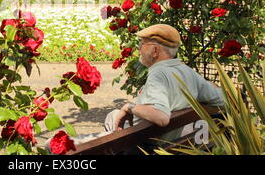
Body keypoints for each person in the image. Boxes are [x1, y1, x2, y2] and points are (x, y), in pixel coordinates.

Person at [46, 24, 224, 153]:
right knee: (113, 117)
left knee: (51, 145)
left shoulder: (158, 75)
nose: (139, 48)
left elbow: (161, 117)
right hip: (170, 141)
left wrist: (129, 107)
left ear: (155, 51)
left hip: (142, 143)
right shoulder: (186, 72)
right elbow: (223, 97)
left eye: (143, 43)